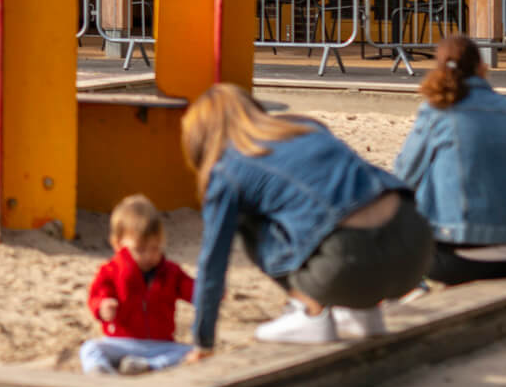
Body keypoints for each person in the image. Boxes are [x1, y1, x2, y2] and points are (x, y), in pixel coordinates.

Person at [184, 84, 431, 350]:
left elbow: (213, 260)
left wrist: (203, 341)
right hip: (415, 248)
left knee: (249, 221)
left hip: (351, 264)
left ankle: (309, 311)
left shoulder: (227, 170)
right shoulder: (306, 127)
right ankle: (363, 314)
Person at [393, 34, 506, 286]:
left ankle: (417, 288)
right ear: (483, 68)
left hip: (457, 257)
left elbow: (405, 177)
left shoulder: (436, 113)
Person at [80, 194, 195, 375]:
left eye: (155, 248)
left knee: (191, 352)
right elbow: (96, 295)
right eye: (140, 249)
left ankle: (147, 366)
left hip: (161, 344)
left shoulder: (171, 272)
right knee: (90, 348)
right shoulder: (111, 271)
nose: (149, 256)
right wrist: (103, 307)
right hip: (120, 341)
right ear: (118, 244)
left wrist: (208, 292)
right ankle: (100, 371)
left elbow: (192, 290)